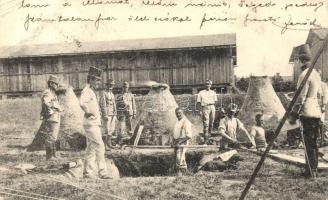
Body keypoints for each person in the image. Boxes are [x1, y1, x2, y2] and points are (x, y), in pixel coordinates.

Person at [293, 44, 322, 178]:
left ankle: (310, 172)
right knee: (313, 142)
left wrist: (294, 113)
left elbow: (301, 97)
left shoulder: (304, 75)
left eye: (298, 60)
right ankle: (313, 169)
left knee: (308, 143)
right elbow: (320, 95)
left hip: (307, 112)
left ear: (301, 60)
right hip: (316, 112)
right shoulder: (316, 74)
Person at [80, 66, 110, 179]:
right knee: (100, 146)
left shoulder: (91, 91)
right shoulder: (86, 91)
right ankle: (103, 172)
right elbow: (82, 103)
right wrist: (88, 112)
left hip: (93, 123)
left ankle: (87, 172)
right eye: (97, 80)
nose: (98, 82)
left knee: (91, 148)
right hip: (90, 123)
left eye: (99, 80)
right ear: (91, 79)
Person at [39, 75, 62, 160]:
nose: (57, 86)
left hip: (55, 117)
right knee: (50, 137)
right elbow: (46, 103)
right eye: (56, 84)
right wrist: (51, 112)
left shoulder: (53, 93)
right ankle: (49, 156)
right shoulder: (47, 92)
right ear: (51, 83)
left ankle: (53, 154)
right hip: (51, 118)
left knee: (54, 137)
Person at [171, 107, 193, 176]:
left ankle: (182, 175)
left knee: (180, 158)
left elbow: (189, 136)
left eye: (180, 113)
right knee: (178, 159)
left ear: (183, 113)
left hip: (183, 142)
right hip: (177, 143)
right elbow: (174, 134)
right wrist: (173, 141)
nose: (178, 115)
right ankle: (182, 175)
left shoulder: (186, 122)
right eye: (177, 113)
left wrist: (179, 142)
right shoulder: (177, 122)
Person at [197, 79, 217, 144]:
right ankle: (205, 140)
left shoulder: (213, 92)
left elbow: (215, 101)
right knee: (206, 124)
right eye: (206, 84)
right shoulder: (201, 92)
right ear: (204, 85)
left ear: (211, 85)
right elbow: (198, 102)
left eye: (209, 84)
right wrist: (200, 110)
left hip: (212, 107)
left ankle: (209, 139)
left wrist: (213, 108)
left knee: (211, 123)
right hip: (205, 107)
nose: (207, 85)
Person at [99, 79, 117, 149]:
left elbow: (114, 104)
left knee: (111, 129)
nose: (111, 86)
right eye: (110, 85)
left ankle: (109, 144)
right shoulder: (103, 93)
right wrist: (105, 114)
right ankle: (104, 145)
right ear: (107, 85)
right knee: (106, 130)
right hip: (107, 114)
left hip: (113, 114)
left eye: (112, 85)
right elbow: (102, 104)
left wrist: (115, 112)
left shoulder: (112, 94)